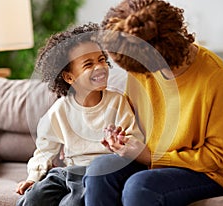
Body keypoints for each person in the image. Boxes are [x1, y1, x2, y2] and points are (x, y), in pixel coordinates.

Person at [83, 0, 223, 206]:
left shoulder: (213, 75)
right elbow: (134, 124)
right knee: (100, 170)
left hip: (202, 173)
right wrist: (121, 139)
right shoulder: (139, 66)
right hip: (148, 162)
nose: (136, 74)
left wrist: (152, 157)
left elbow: (216, 156)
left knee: (140, 187)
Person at [15, 22, 144, 206]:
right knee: (34, 197)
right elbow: (45, 151)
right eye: (88, 64)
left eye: (101, 60)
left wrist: (121, 142)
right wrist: (33, 178)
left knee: (72, 202)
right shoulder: (59, 110)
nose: (99, 67)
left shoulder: (117, 101)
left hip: (98, 175)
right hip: (68, 172)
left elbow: (134, 138)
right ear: (69, 77)